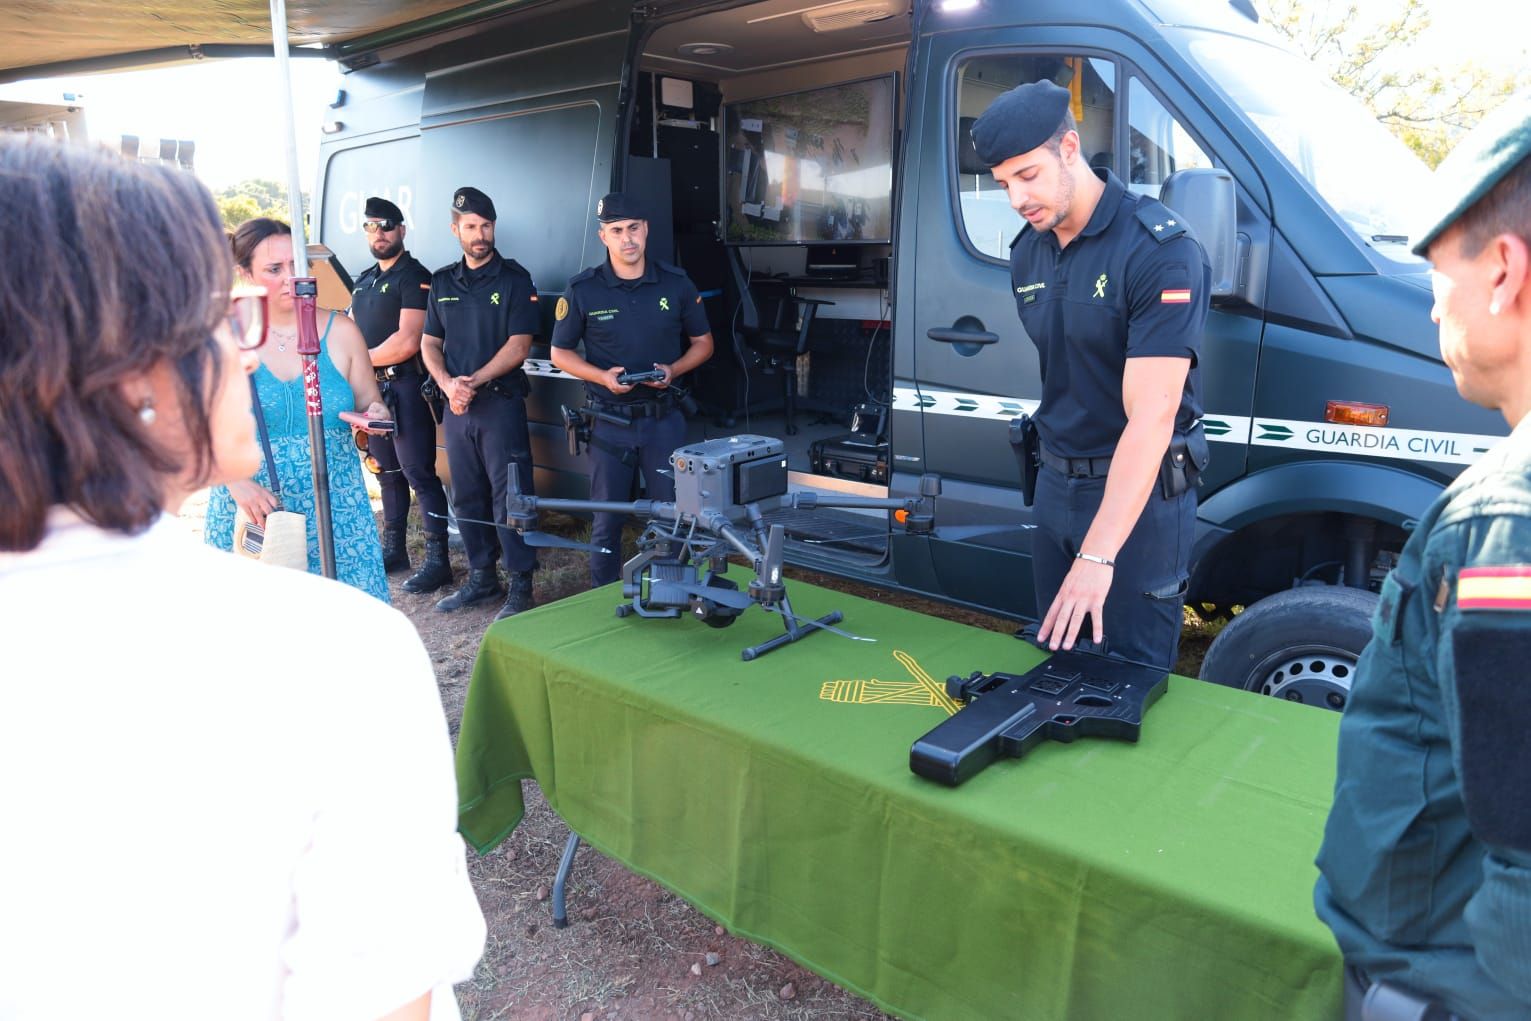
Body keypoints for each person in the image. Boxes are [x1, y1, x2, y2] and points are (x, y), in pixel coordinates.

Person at [0, 135, 484, 1020]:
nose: (249, 340)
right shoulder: (332, 653)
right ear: (134, 366)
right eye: (231, 313)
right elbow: (381, 1000)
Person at [1314, 94, 1531, 1021]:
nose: (1430, 304)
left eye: (1437, 273)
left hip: (1444, 977)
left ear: (1502, 273)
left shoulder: (1503, 522)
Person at [970, 80, 1211, 668]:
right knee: (1056, 663)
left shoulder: (1159, 250)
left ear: (1069, 147)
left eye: (1027, 175)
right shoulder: (1029, 250)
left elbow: (1152, 418)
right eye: (1004, 184)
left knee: (1128, 677)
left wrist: (1099, 556)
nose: (1016, 199)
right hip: (1054, 483)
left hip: (1138, 494)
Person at [204, 217, 393, 602]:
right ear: (245, 274)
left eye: (298, 265)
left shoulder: (342, 332)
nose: (292, 277)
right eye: (275, 269)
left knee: (348, 626)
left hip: (338, 508)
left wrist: (375, 416)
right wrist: (234, 483)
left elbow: (370, 401)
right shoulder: (224, 336)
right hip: (255, 511)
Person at [549, 192, 715, 587]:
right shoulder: (584, 290)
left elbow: (704, 343)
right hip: (609, 422)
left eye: (634, 229)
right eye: (617, 230)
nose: (627, 239)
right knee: (607, 517)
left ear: (646, 231)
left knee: (672, 514)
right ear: (603, 235)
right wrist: (601, 376)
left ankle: (672, 594)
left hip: (662, 421)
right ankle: (603, 598)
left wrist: (673, 369)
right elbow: (560, 352)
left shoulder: (675, 283)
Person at [421, 186, 541, 619]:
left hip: (498, 404)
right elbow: (429, 342)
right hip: (457, 407)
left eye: (486, 225)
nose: (480, 234)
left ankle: (521, 583)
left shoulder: (514, 279)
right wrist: (449, 383)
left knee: (511, 495)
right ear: (455, 230)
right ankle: (481, 578)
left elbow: (519, 345)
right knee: (467, 495)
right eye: (471, 226)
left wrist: (474, 380)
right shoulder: (441, 282)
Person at [350, 196, 454, 595]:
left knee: (418, 473)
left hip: (406, 387)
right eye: (372, 226)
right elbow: (351, 329)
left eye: (387, 225)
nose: (379, 233)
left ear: (402, 230)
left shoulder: (416, 276)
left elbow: (408, 341)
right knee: (386, 472)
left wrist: (360, 360)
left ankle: (438, 561)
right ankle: (394, 550)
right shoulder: (363, 280)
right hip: (374, 388)